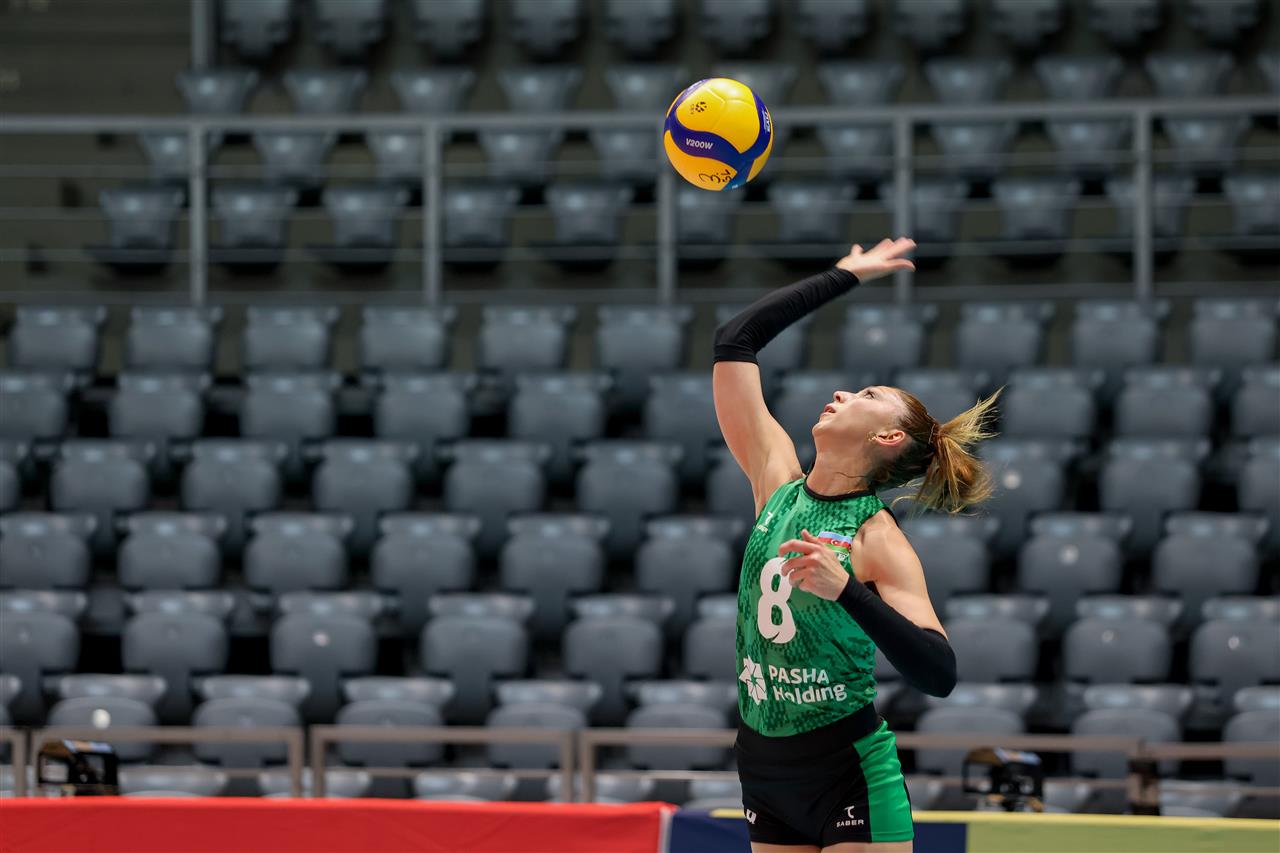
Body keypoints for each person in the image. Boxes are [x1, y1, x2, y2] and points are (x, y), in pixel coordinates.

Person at [713, 237, 1000, 853]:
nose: (843, 393)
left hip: (846, 768)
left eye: (867, 396)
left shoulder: (876, 537)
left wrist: (847, 590)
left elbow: (938, 673)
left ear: (889, 437)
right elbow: (735, 340)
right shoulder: (775, 481)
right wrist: (842, 276)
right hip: (762, 766)